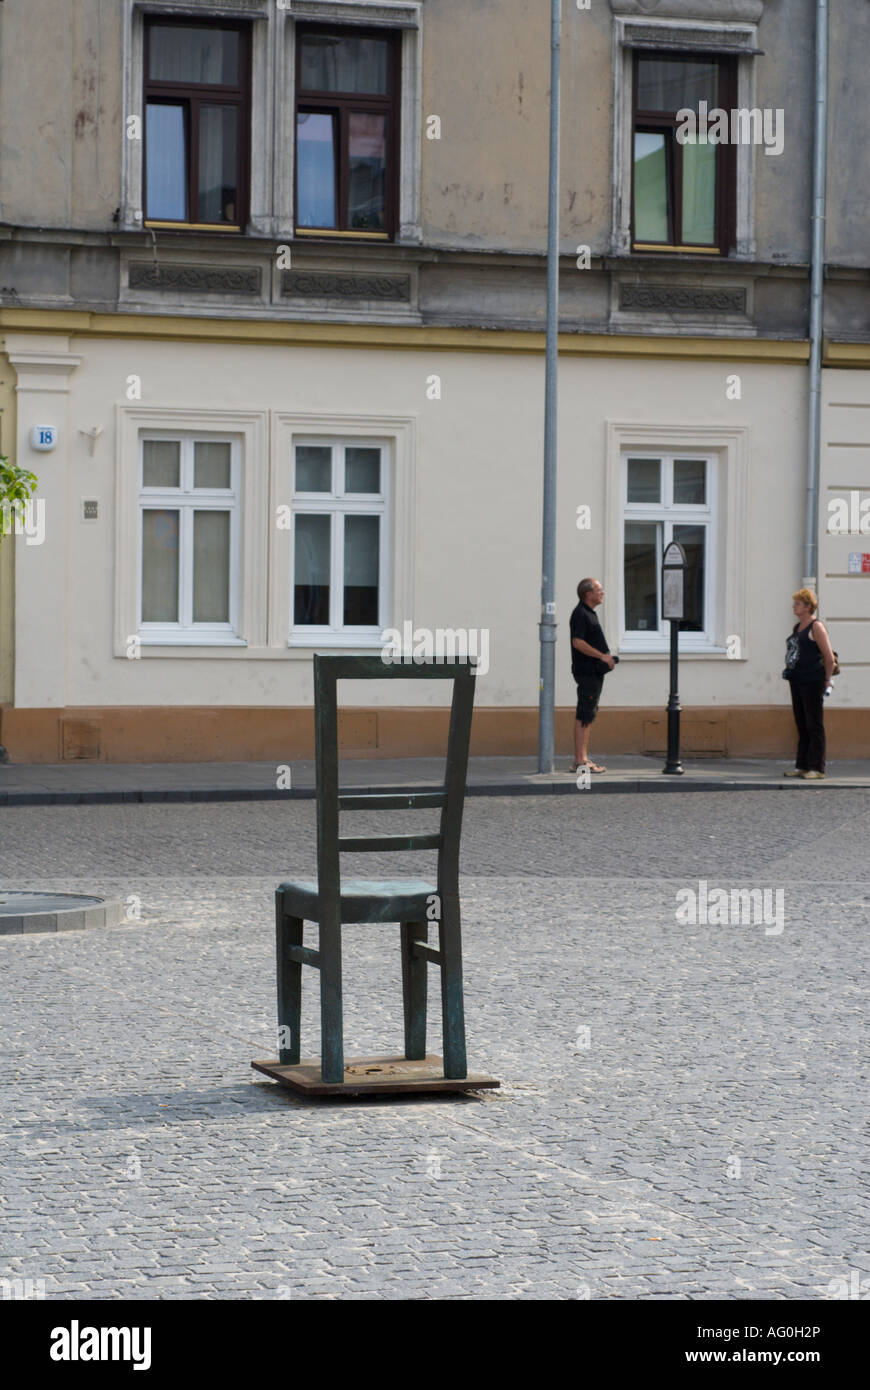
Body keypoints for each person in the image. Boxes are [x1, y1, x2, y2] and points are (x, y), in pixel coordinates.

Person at [782, 587, 835, 780]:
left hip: (813, 680)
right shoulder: (797, 627)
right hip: (797, 679)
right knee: (801, 723)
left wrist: (827, 679)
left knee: (814, 724)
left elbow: (828, 657)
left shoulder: (816, 627)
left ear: (807, 607)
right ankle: (802, 765)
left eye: (798, 603)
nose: (794, 606)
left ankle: (817, 768)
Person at [569, 577, 616, 774]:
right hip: (587, 671)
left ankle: (581, 759)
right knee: (585, 715)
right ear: (588, 594)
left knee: (588, 713)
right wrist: (602, 657)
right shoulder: (581, 613)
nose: (602, 593)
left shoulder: (589, 613)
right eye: (599, 590)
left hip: (593, 672)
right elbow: (577, 642)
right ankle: (581, 761)